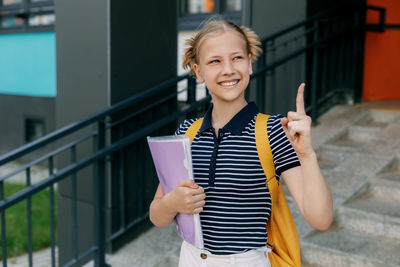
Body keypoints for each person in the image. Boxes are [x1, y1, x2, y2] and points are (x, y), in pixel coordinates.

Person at [149, 20, 333, 267]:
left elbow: (320, 220)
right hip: (191, 258)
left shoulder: (273, 131)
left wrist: (307, 154)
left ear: (249, 63)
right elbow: (157, 215)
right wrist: (173, 203)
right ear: (199, 72)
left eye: (236, 58)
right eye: (215, 61)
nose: (228, 69)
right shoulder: (186, 133)